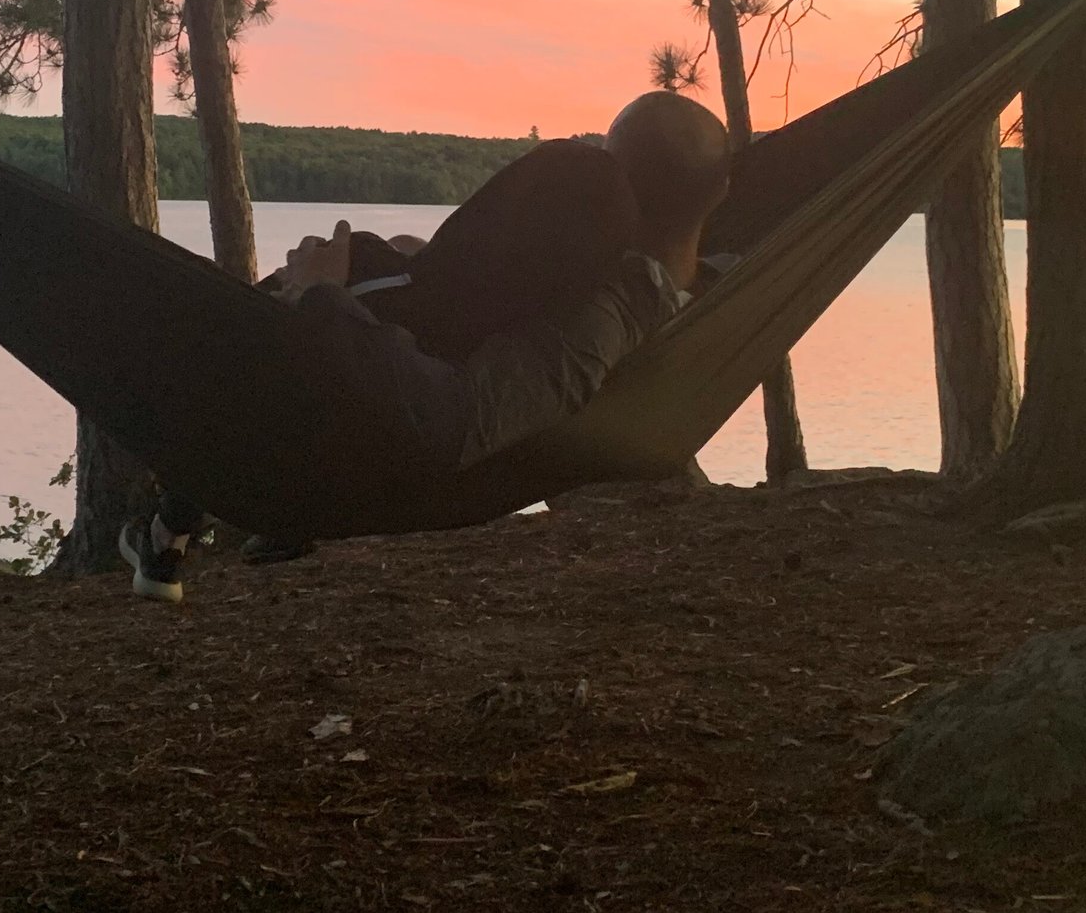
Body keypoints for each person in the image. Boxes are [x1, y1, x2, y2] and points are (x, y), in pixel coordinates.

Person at [118, 90, 732, 602]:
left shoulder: (598, 319)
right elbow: (492, 300)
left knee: (264, 322)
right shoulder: (673, 276)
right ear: (724, 190)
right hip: (397, 358)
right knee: (339, 275)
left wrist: (323, 296)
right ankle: (182, 523)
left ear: (619, 189)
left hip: (369, 437)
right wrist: (425, 270)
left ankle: (196, 521)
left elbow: (453, 421)